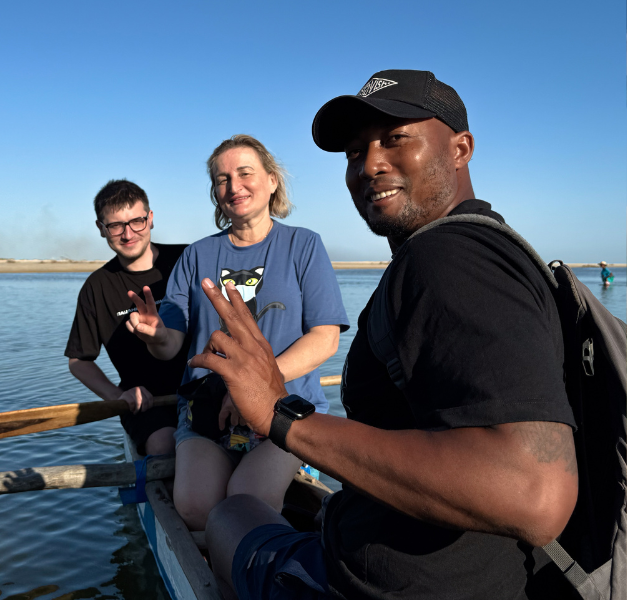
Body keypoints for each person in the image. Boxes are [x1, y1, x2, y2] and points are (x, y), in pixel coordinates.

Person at [195, 71, 579, 599]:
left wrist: (281, 415)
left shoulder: (447, 260)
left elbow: (535, 494)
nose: (370, 164)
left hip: (377, 586)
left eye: (395, 138)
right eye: (356, 151)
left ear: (461, 149)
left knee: (230, 514)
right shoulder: (486, 247)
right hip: (473, 570)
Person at [127, 134, 349, 531]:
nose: (234, 186)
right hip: (207, 409)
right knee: (195, 507)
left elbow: (325, 338)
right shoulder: (196, 255)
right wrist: (156, 336)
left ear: (272, 181)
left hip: (283, 406)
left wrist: (253, 387)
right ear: (215, 193)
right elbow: (171, 344)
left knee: (248, 502)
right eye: (222, 179)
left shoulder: (303, 245)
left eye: (245, 173)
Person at [64, 179, 189, 455]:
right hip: (147, 403)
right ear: (101, 228)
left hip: (201, 390)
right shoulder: (96, 288)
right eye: (116, 226)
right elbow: (79, 360)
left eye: (136, 222)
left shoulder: (187, 259)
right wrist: (118, 396)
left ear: (150, 218)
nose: (128, 234)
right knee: (165, 445)